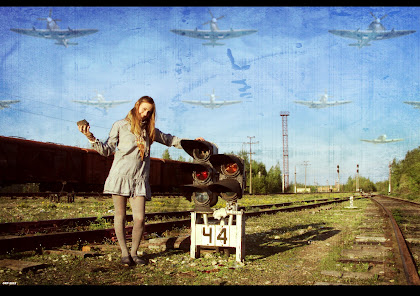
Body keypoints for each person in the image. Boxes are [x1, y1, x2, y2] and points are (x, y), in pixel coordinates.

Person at [78, 96, 204, 266]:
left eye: (149, 112)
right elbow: (107, 150)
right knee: (120, 216)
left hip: (139, 179)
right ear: (137, 106)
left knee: (140, 219)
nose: (145, 114)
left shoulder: (150, 131)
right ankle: (124, 253)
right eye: (143, 109)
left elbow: (170, 140)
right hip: (120, 176)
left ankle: (134, 253)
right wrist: (90, 137)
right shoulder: (120, 125)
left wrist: (191, 143)